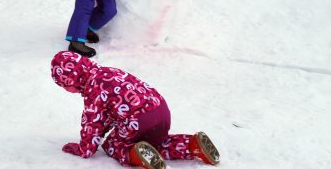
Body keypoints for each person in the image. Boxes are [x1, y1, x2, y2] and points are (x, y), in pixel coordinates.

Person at [50, 51, 220, 168]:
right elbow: (110, 110)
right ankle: (192, 145)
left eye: (64, 85)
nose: (66, 89)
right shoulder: (108, 72)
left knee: (112, 144)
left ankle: (135, 155)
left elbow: (93, 123)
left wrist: (84, 149)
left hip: (138, 120)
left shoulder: (93, 89)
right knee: (155, 144)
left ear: (72, 80)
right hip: (160, 109)